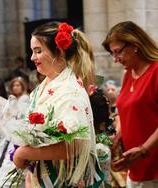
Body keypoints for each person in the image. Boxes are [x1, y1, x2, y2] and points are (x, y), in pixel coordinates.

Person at [12, 22, 99, 187]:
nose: (32, 58)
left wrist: (24, 152)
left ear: (58, 51)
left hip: (65, 179)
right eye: (32, 51)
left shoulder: (69, 91)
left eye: (38, 51)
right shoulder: (46, 85)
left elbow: (74, 144)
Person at [102, 21, 158, 187]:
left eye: (118, 52)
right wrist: (117, 135)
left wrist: (143, 149)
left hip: (154, 165)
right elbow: (125, 112)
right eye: (112, 54)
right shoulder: (127, 74)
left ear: (134, 45)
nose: (116, 59)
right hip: (134, 165)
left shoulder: (155, 71)